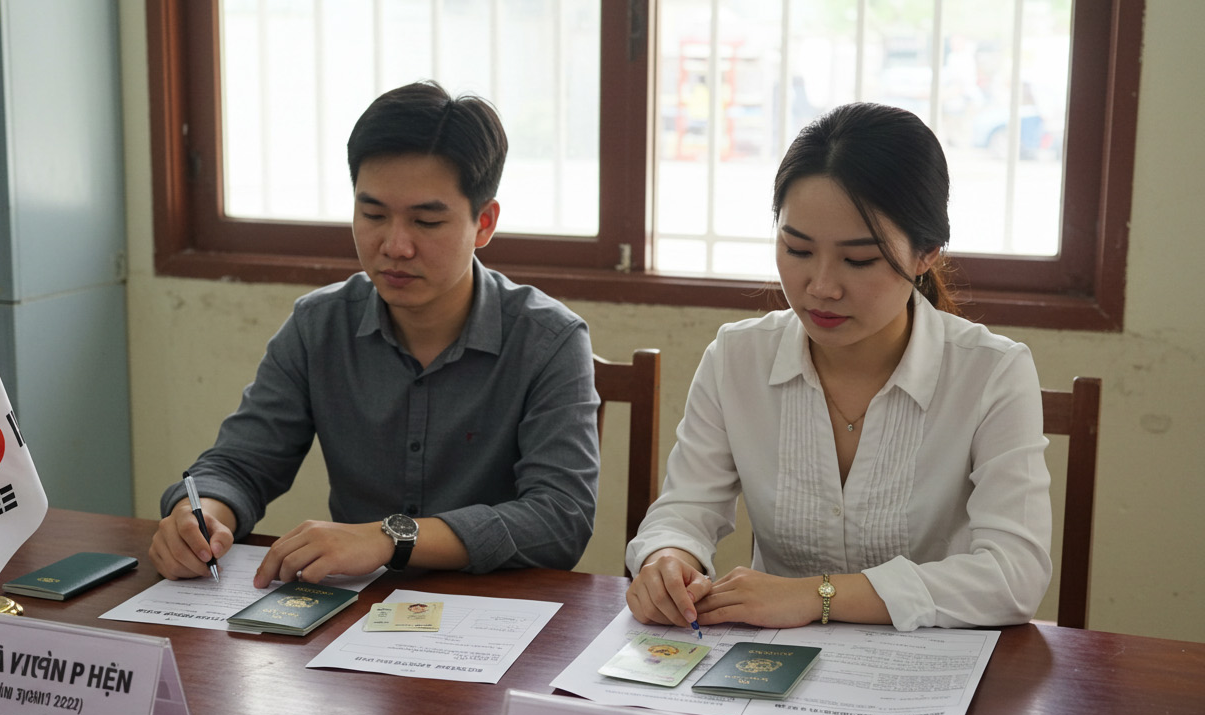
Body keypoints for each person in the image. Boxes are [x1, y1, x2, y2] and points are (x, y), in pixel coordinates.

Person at [150, 82, 600, 587]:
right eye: (373, 215)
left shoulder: (549, 340)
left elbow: (560, 517)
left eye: (426, 221)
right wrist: (201, 515)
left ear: (484, 223)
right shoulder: (319, 326)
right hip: (353, 605)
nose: (395, 246)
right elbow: (240, 464)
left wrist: (391, 537)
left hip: (499, 612)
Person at [625, 102, 1052, 632]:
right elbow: (685, 509)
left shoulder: (992, 373)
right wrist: (668, 558)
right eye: (797, 249)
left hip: (930, 664)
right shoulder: (737, 358)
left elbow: (1014, 575)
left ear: (926, 254)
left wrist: (816, 596)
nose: (822, 287)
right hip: (769, 662)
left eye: (859, 260)